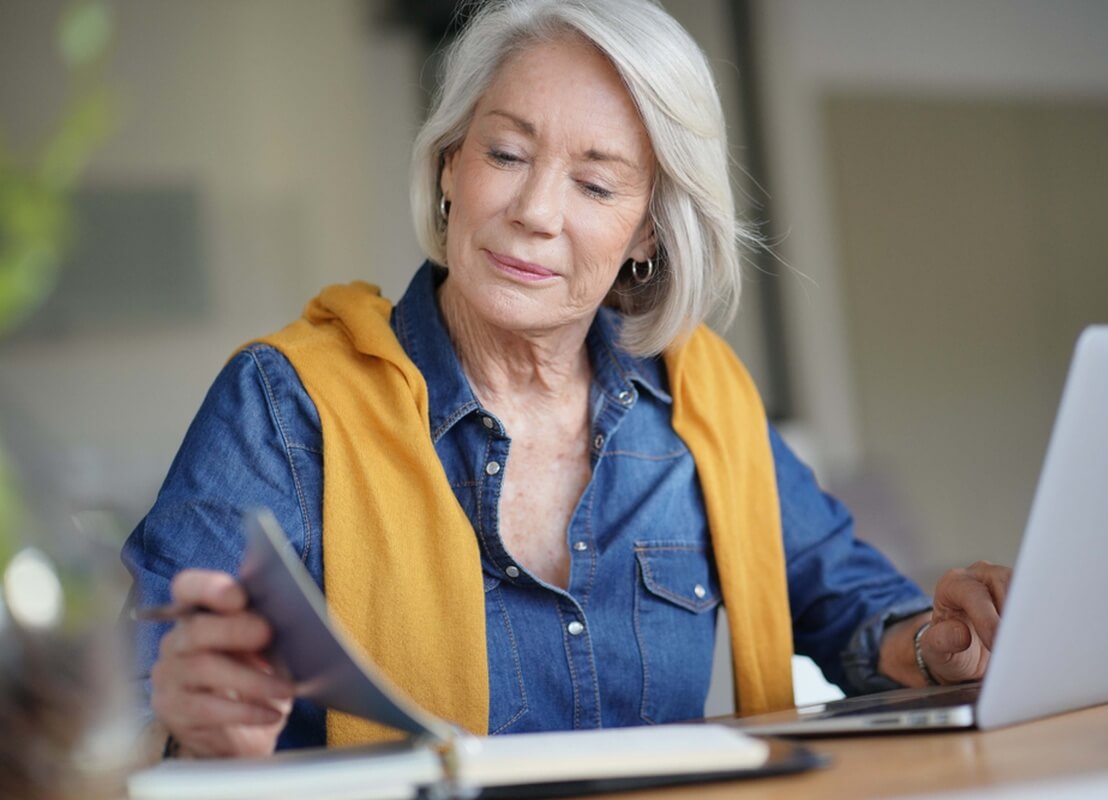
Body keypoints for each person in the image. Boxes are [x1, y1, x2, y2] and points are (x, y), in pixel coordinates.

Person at [122, 0, 1011, 759]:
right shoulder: (284, 403)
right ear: (448, 168)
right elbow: (126, 684)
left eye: (594, 185)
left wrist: (942, 642)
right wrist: (175, 714)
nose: (535, 213)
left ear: (647, 234)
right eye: (506, 156)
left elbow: (853, 608)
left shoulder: (701, 403)